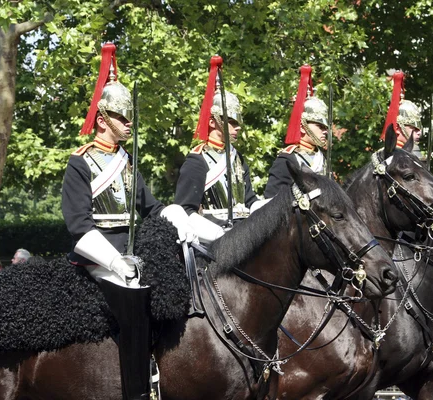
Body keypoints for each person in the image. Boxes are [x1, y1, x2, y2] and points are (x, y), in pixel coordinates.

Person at [62, 43, 194, 400]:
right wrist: (115, 261)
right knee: (132, 300)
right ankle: (136, 389)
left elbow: (148, 207)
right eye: (122, 117)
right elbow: (78, 226)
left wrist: (175, 213)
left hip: (132, 257)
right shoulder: (81, 163)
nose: (128, 122)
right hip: (98, 259)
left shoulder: (126, 161)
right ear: (102, 120)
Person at [174, 55, 264, 233]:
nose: (237, 127)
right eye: (231, 122)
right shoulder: (197, 161)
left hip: (244, 233)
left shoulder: (236, 156)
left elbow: (249, 201)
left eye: (238, 122)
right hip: (214, 236)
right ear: (213, 121)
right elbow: (185, 210)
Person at [264, 64, 328, 199]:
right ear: (302, 127)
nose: (325, 131)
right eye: (320, 126)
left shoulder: (322, 158)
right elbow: (272, 201)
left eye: (326, 128)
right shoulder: (287, 159)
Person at [381, 71, 424, 160]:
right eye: (414, 128)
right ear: (397, 129)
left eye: (419, 128)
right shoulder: (392, 157)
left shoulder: (411, 154)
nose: (419, 132)